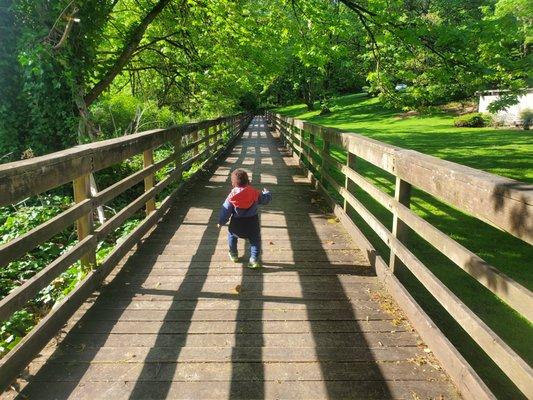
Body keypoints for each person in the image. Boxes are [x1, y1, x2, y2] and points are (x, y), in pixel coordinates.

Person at [217, 169, 272, 268]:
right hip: (252, 224)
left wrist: (221, 221)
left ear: (233, 183)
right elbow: (264, 200)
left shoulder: (231, 196)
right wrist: (267, 193)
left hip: (236, 225)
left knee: (231, 236)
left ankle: (234, 254)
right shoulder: (254, 193)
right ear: (248, 181)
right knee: (255, 241)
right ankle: (254, 260)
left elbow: (225, 210)